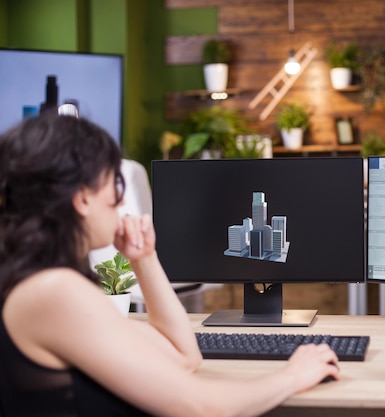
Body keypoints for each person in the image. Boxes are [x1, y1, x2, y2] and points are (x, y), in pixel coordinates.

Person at [0, 114, 340, 417]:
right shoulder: (53, 292)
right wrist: (293, 375)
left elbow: (183, 356)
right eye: (113, 181)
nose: (119, 199)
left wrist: (144, 257)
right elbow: (203, 407)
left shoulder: (39, 284)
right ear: (83, 197)